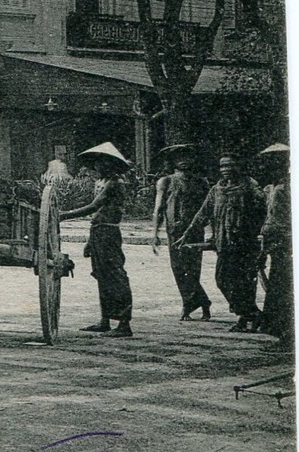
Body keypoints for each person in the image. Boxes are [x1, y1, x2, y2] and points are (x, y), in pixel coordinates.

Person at [59, 142, 135, 337]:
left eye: (103, 162)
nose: (98, 166)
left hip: (109, 233)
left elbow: (94, 206)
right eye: (97, 162)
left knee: (115, 276)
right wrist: (89, 241)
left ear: (112, 164)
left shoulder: (115, 183)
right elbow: (96, 215)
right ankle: (105, 320)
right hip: (98, 231)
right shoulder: (100, 182)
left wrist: (64, 215)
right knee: (101, 276)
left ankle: (124, 324)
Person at [189, 154, 267, 332]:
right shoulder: (217, 189)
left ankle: (246, 316)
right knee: (222, 280)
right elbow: (203, 213)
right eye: (222, 166)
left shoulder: (250, 187)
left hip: (244, 244)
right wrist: (187, 234)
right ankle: (250, 313)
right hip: (224, 244)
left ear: (238, 167)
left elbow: (262, 212)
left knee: (244, 282)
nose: (225, 170)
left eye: (230, 166)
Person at [151, 144, 212, 320]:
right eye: (179, 158)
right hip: (175, 230)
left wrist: (212, 231)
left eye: (187, 157)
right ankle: (198, 301)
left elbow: (209, 208)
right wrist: (155, 234)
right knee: (178, 268)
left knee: (193, 269)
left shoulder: (201, 182)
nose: (184, 161)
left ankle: (192, 303)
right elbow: (159, 208)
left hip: (194, 230)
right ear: (172, 161)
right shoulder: (166, 181)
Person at [257, 144, 290, 343]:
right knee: (277, 284)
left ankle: (286, 334)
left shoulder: (286, 187)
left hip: (284, 241)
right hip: (274, 241)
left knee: (282, 286)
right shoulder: (272, 188)